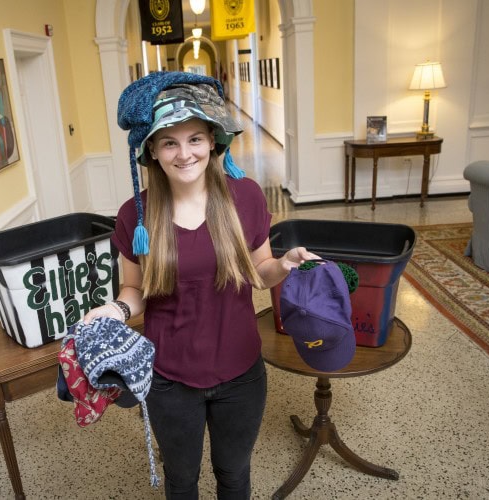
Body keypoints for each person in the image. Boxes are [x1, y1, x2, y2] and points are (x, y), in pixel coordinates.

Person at [83, 71, 317, 499]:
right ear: (151, 150)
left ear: (213, 141)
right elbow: (133, 290)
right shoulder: (135, 215)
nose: (184, 153)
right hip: (169, 377)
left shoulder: (244, 197)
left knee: (233, 474)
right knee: (181, 479)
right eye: (169, 142)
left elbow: (259, 272)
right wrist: (114, 310)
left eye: (194, 138)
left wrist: (283, 264)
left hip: (241, 373)